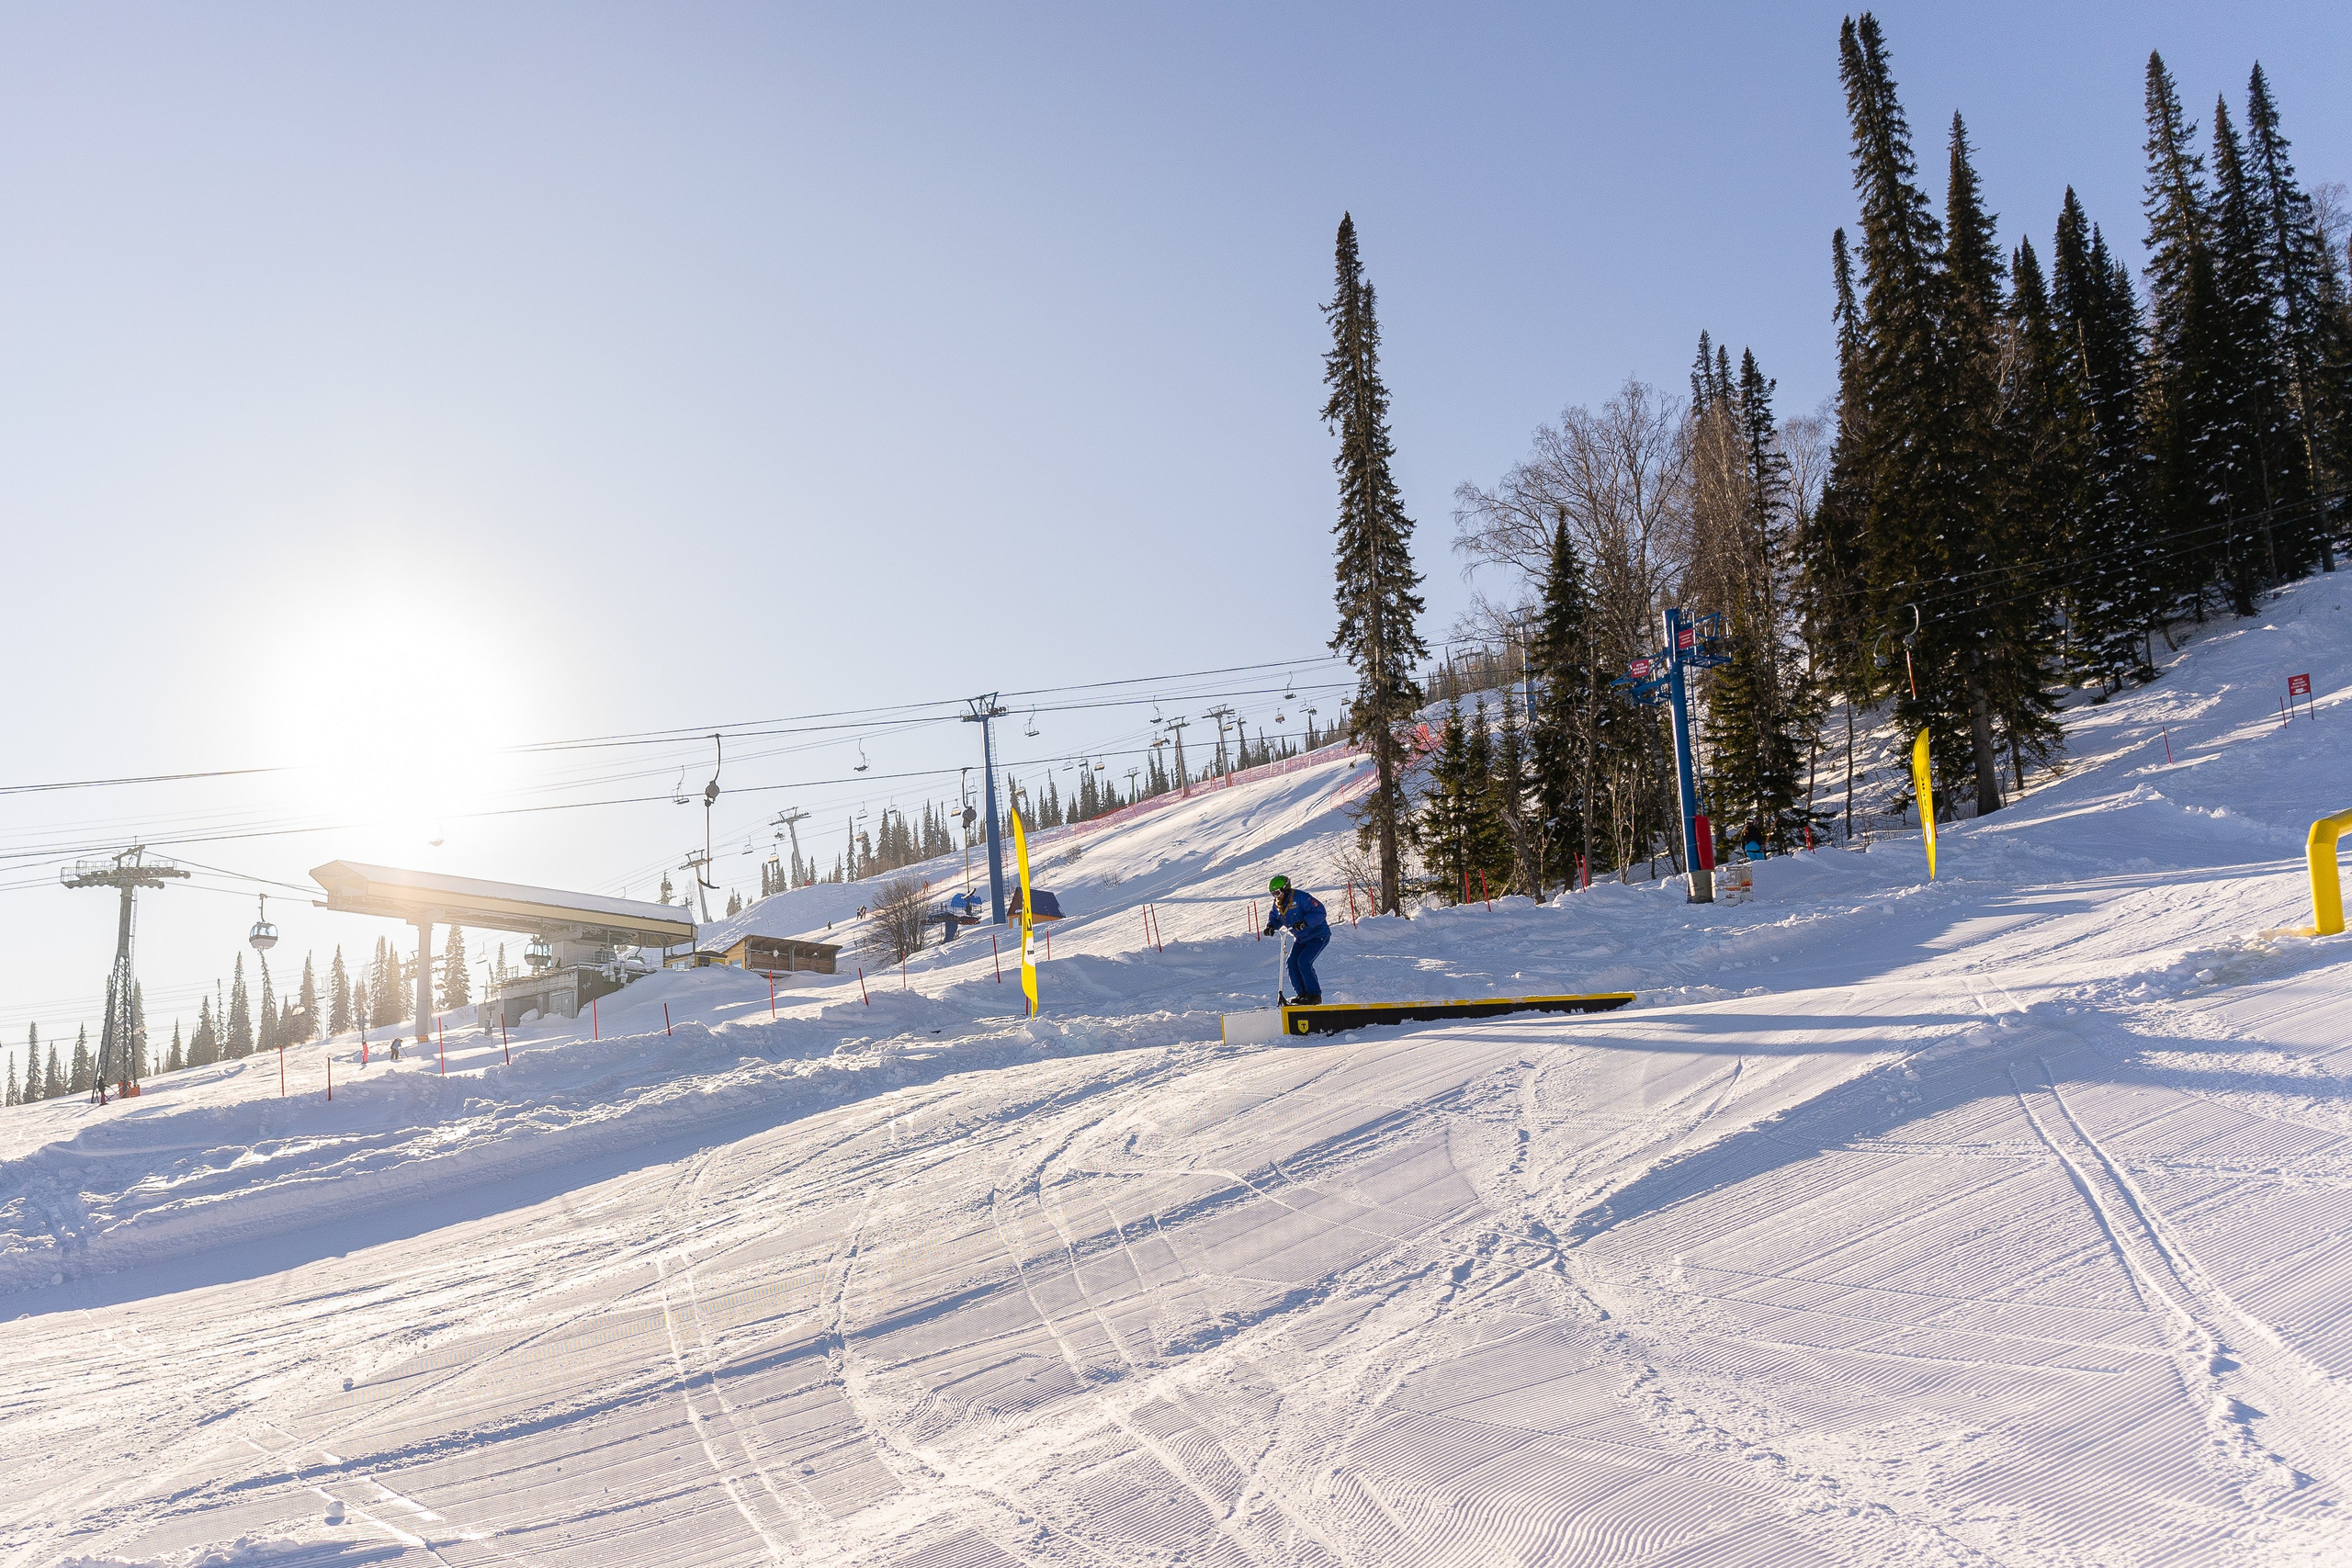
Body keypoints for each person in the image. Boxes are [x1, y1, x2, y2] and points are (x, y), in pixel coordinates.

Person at [1261, 874, 1329, 1005]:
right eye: (1273, 894)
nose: (1276, 896)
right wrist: (1271, 926)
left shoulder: (1301, 898)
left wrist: (1305, 922)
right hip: (1301, 938)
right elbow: (1275, 917)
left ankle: (1314, 995)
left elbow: (1320, 911)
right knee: (1292, 962)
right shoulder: (1278, 905)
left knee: (1304, 961)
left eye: (1277, 893)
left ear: (1286, 889)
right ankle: (1302, 994)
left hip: (1317, 935)